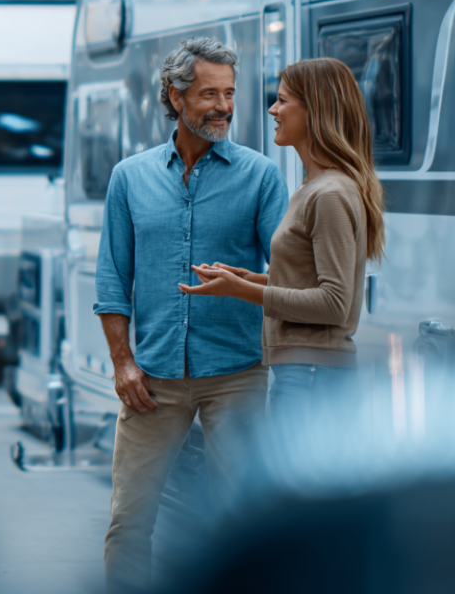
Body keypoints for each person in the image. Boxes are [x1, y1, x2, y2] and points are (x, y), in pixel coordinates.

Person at [95, 37, 288, 592]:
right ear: (175, 97)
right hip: (151, 378)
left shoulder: (261, 176)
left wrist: (246, 287)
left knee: (244, 523)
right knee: (129, 519)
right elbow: (112, 280)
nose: (224, 107)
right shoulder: (129, 177)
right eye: (209, 94)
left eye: (230, 93)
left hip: (237, 373)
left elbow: (288, 275)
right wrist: (122, 363)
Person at [181, 57, 385, 413]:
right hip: (307, 372)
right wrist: (247, 277)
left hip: (312, 376)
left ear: (315, 110)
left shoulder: (330, 194)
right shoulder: (315, 187)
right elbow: (309, 282)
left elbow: (334, 303)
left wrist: (241, 290)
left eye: (283, 100)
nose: (273, 109)